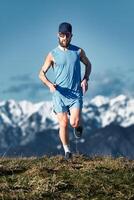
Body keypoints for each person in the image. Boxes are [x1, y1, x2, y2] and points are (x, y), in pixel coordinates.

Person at [39, 22, 91, 159]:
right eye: (62, 35)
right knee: (63, 123)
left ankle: (78, 125)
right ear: (58, 35)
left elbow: (88, 64)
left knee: (74, 122)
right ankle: (67, 151)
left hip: (75, 94)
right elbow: (41, 74)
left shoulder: (78, 51)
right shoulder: (52, 54)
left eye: (67, 35)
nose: (64, 38)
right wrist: (50, 85)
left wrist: (86, 78)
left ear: (71, 36)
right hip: (59, 94)